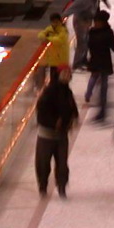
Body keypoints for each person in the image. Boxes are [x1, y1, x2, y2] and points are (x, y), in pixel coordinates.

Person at [34, 68, 79, 198]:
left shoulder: (67, 91)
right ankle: (43, 186)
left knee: (62, 163)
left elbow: (72, 107)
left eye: (69, 74)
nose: (67, 76)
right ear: (59, 75)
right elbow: (41, 111)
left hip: (61, 135)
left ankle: (62, 186)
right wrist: (54, 123)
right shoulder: (49, 91)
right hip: (46, 135)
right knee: (43, 162)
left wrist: (73, 117)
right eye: (65, 73)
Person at [84, 12, 114, 124]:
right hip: (96, 60)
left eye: (97, 22)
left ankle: (102, 111)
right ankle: (88, 94)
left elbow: (112, 45)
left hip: (104, 61)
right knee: (94, 78)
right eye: (95, 21)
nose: (95, 23)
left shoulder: (108, 32)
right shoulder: (91, 31)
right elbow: (88, 45)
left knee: (104, 86)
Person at [64, 0, 108, 70]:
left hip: (87, 19)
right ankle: (77, 63)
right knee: (82, 42)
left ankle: (83, 60)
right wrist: (63, 16)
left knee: (86, 40)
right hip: (80, 20)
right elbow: (73, 7)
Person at [37, 12, 71, 84]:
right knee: (53, 80)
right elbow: (40, 35)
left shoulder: (63, 30)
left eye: (56, 21)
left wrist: (48, 38)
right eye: (53, 21)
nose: (54, 23)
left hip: (62, 60)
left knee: (62, 80)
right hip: (52, 60)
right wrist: (44, 37)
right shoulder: (49, 29)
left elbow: (60, 40)